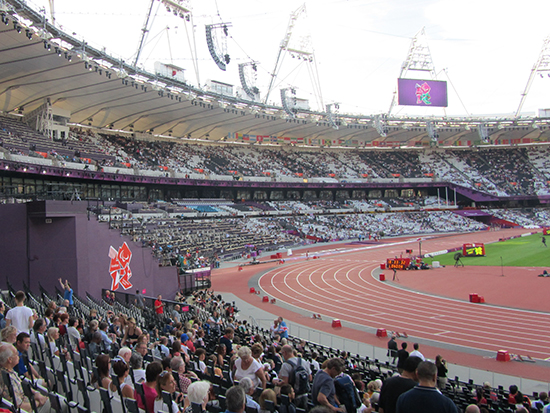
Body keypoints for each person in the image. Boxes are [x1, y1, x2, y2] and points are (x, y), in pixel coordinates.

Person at [0, 342, 50, 412]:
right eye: (16, 354)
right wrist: (37, 403)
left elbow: (21, 386)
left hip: (28, 400)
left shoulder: (9, 371)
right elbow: (18, 406)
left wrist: (36, 393)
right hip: (27, 409)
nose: (18, 356)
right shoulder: (8, 378)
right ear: (10, 360)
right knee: (51, 403)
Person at [278, 344, 312, 409]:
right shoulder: (303, 361)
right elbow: (310, 378)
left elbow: (285, 383)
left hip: (294, 396)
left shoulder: (285, 365)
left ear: (284, 353)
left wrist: (277, 383)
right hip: (305, 395)